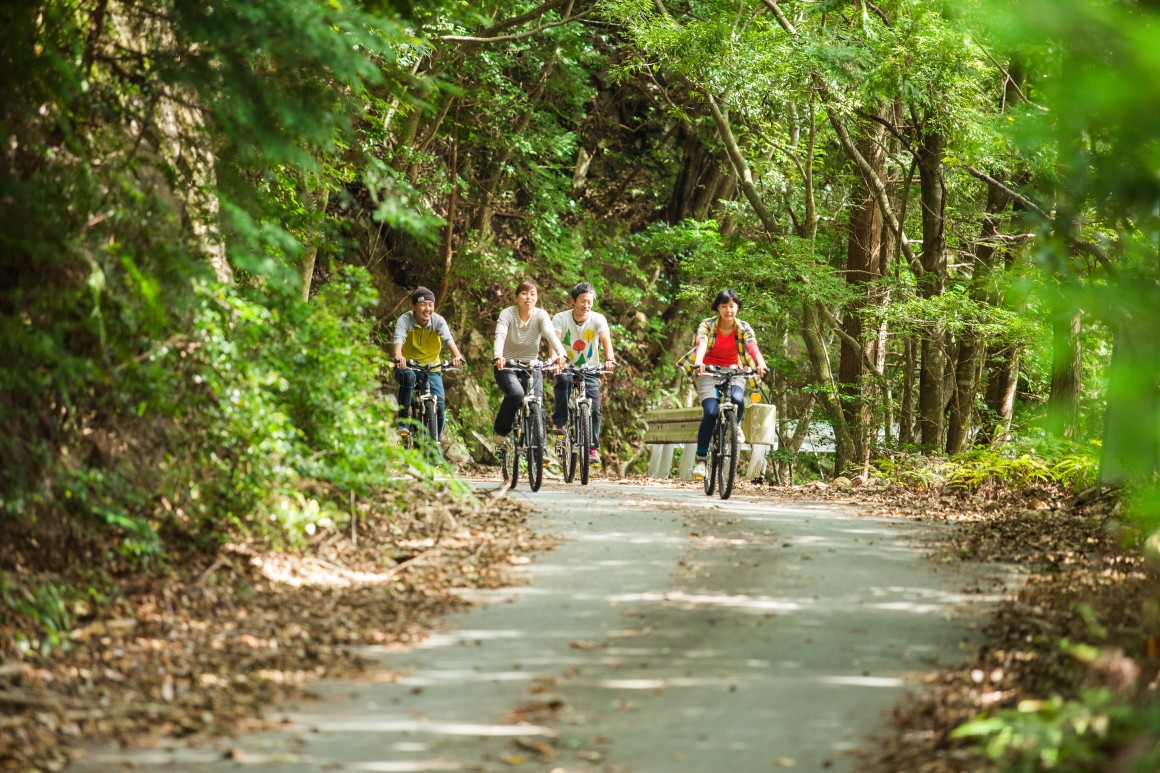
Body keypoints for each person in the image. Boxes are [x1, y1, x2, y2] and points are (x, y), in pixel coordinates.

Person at [681, 289, 768, 481]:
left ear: (737, 307)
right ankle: (702, 461)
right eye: (724, 306)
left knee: (737, 399)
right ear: (717, 308)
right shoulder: (708, 324)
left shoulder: (744, 327)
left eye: (732, 306)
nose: (728, 310)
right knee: (711, 412)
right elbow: (701, 342)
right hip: (708, 370)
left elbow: (752, 346)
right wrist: (700, 361)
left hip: (734, 369)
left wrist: (760, 363)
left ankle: (735, 426)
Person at [493, 281, 568, 450]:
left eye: (533, 294)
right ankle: (500, 432)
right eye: (524, 293)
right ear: (516, 297)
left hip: (531, 366)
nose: (529, 297)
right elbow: (500, 335)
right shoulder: (507, 314)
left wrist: (561, 353)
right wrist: (498, 355)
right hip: (507, 366)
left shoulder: (541, 315)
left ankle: (539, 452)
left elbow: (550, 334)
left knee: (538, 404)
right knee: (516, 394)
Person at [551, 281, 616, 466]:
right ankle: (561, 425)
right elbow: (554, 341)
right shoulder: (560, 318)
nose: (586, 305)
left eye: (589, 301)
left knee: (594, 408)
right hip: (566, 366)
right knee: (562, 381)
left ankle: (592, 448)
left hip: (590, 368)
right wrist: (557, 360)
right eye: (582, 301)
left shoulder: (598, 319)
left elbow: (605, 339)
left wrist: (609, 358)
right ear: (573, 301)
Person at [392, 287, 464, 439]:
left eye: (430, 304)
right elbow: (398, 338)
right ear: (414, 306)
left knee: (439, 405)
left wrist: (457, 355)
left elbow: (448, 339)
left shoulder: (438, 321)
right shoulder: (405, 320)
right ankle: (403, 422)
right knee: (408, 378)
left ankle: (434, 447)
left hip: (432, 368)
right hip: (407, 365)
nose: (427, 309)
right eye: (423, 304)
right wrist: (399, 356)